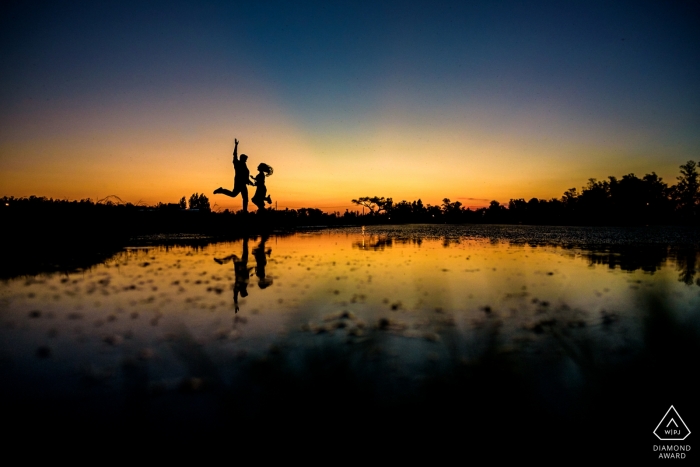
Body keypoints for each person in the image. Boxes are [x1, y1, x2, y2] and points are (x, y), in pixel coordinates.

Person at [213, 138, 254, 212]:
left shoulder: (245, 166)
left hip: (243, 184)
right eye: (245, 159)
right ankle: (221, 190)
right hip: (238, 183)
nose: (246, 160)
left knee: (245, 198)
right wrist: (236, 145)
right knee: (234, 194)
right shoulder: (237, 163)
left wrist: (251, 182)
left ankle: (245, 211)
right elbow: (235, 154)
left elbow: (246, 177)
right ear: (242, 159)